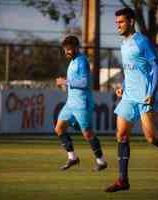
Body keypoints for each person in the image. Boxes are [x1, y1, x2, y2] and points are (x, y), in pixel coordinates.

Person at [104, 7, 158, 192]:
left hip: (144, 96)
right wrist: (124, 87)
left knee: (151, 138)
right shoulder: (123, 43)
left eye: (121, 22)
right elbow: (131, 69)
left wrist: (151, 93)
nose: (117, 25)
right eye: (116, 22)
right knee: (121, 134)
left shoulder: (142, 41)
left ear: (131, 21)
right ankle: (123, 180)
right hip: (128, 97)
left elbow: (156, 67)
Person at [54, 35, 107, 172]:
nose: (66, 52)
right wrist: (65, 84)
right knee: (59, 128)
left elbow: (84, 83)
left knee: (87, 134)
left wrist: (65, 82)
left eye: (69, 49)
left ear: (76, 48)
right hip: (70, 103)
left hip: (82, 104)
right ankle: (72, 158)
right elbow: (74, 82)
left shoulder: (82, 61)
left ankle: (101, 161)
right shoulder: (72, 61)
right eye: (65, 50)